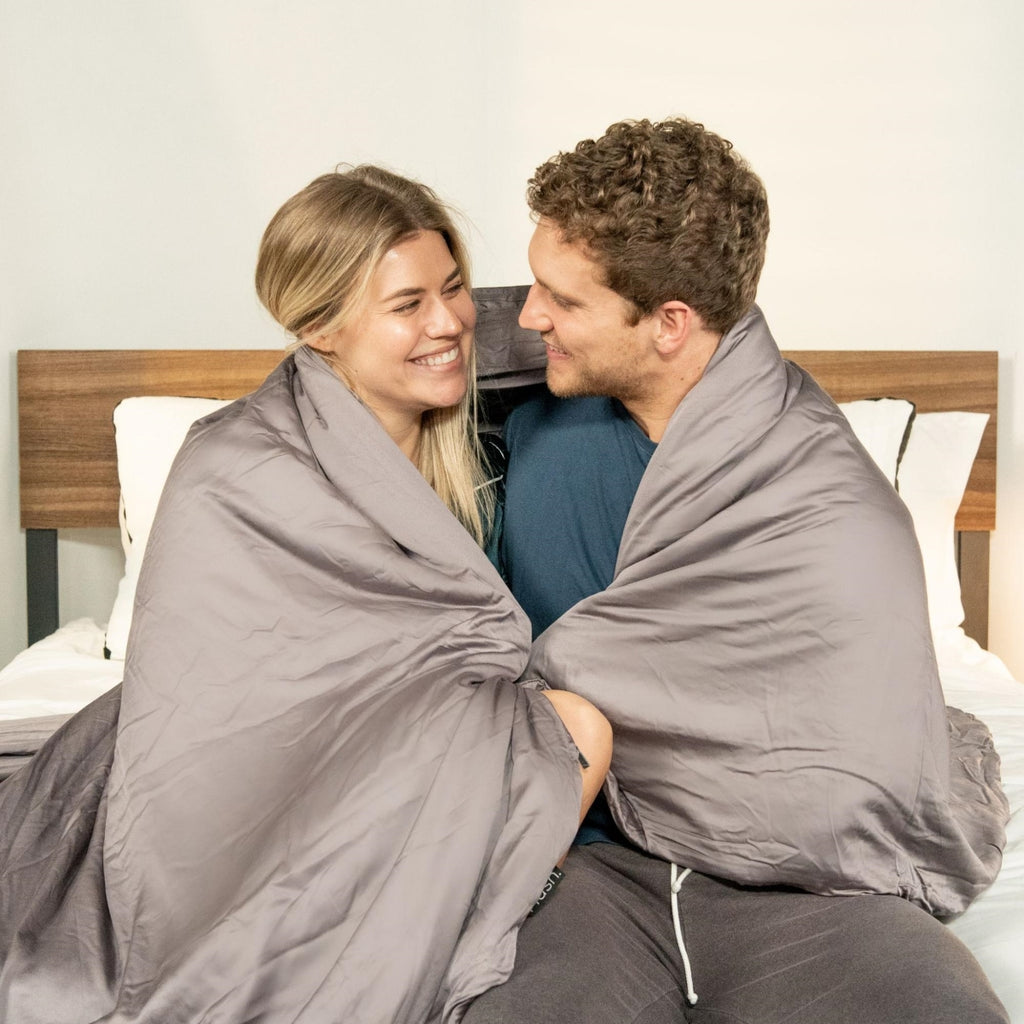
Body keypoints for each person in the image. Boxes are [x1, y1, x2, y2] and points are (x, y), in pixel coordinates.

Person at [0, 165, 610, 1024]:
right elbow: (225, 685)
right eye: (406, 306)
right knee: (570, 726)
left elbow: (580, 315)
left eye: (455, 288)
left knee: (580, 726)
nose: (449, 325)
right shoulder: (235, 465)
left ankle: (462, 902)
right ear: (319, 328)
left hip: (417, 736)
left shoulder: (479, 435)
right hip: (261, 759)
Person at [463, 119, 1010, 1023]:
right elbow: (405, 338)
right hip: (583, 863)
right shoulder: (537, 417)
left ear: (670, 323)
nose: (529, 316)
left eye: (561, 298)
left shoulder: (827, 496)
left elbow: (855, 763)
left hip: (809, 889)